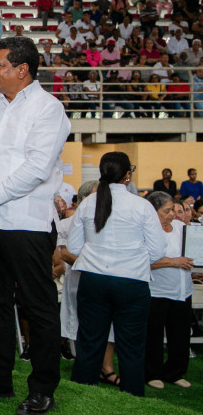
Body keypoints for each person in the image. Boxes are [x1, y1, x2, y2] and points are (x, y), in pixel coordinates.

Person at [0, 36, 71, 415]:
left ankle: (42, 387)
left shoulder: (48, 109)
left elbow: (37, 167)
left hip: (27, 223)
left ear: (22, 70)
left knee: (38, 306)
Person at [68, 152, 166, 397]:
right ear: (127, 175)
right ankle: (132, 397)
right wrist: (132, 260)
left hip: (93, 279)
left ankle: (82, 396)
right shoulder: (141, 205)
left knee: (89, 342)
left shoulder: (87, 203)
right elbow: (157, 250)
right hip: (131, 281)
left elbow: (73, 248)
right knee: (131, 346)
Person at [144, 191, 194, 390]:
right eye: (167, 210)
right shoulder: (148, 230)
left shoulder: (181, 227)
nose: (173, 214)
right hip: (157, 291)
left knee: (180, 334)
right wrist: (173, 262)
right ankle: (152, 373)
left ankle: (175, 372)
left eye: (173, 209)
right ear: (154, 211)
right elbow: (145, 260)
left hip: (183, 290)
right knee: (154, 334)